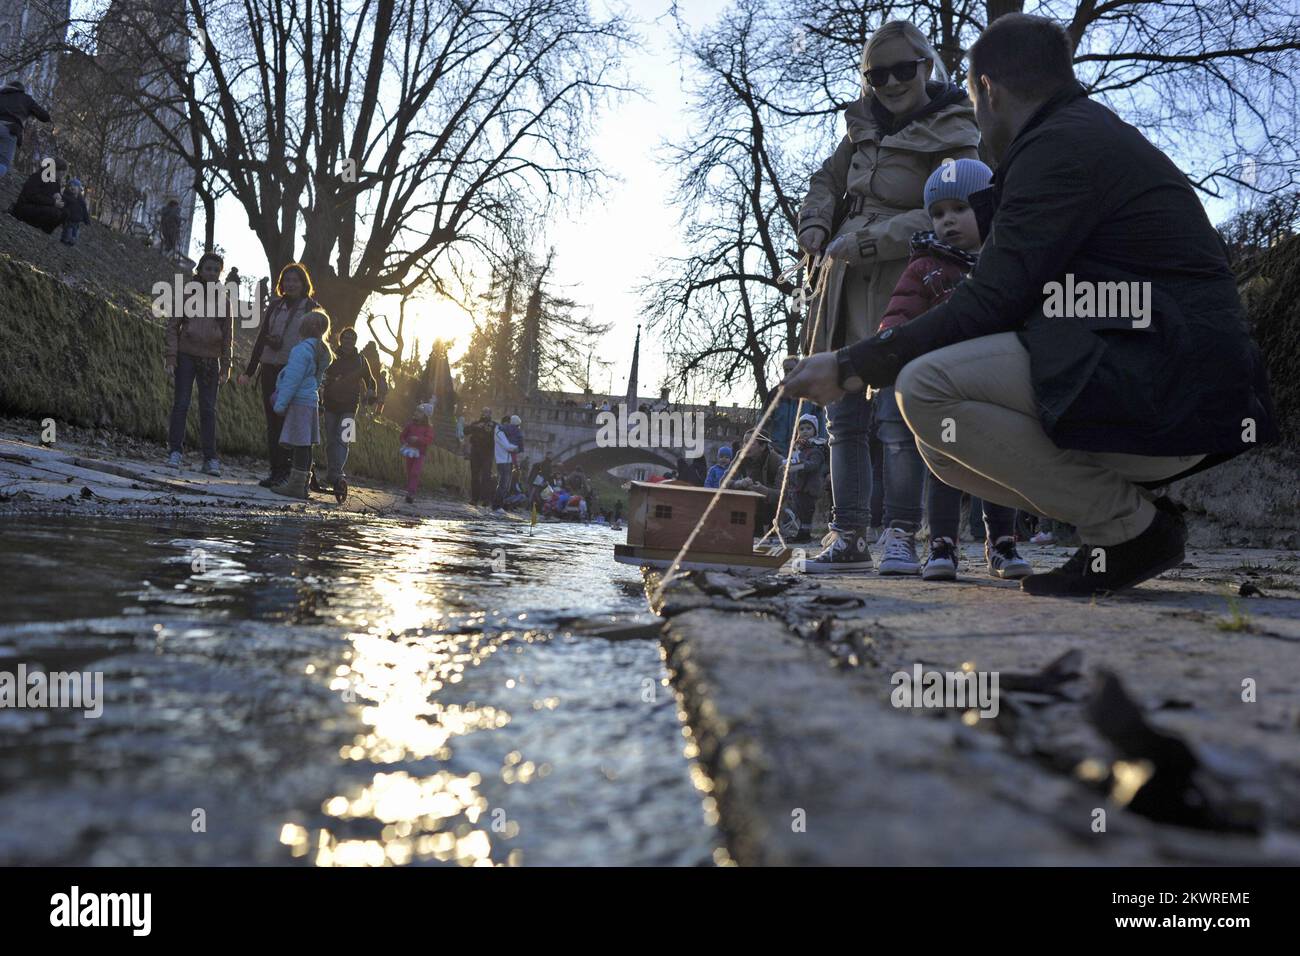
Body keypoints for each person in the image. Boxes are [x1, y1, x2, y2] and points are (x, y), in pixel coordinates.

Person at [781, 13, 1278, 596]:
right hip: (1156, 378)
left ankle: (1131, 530)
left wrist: (848, 366)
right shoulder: (1072, 138)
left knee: (926, 389)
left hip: (1169, 389)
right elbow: (1008, 246)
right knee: (943, 449)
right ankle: (1123, 515)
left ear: (987, 90)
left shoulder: (1060, 149)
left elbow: (991, 299)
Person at [796, 20, 980, 575]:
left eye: (904, 69)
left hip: (913, 278)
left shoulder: (958, 128)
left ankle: (902, 534)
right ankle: (847, 534)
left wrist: (872, 240)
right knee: (843, 412)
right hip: (842, 279)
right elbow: (827, 181)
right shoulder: (859, 125)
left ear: (927, 66)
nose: (892, 82)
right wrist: (815, 226)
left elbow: (952, 208)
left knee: (897, 413)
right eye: (878, 74)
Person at [873, 158, 1031, 581]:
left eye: (960, 209)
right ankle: (942, 543)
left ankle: (1002, 542)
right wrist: (886, 350)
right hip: (944, 387)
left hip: (997, 385)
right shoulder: (926, 267)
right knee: (944, 462)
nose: (948, 221)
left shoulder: (1007, 264)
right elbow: (900, 313)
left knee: (1002, 463)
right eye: (938, 213)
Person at [240, 263, 322, 487]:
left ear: (304, 283)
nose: (291, 284)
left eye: (295, 280)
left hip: (293, 373)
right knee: (273, 422)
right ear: (281, 284)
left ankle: (297, 472)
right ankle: (277, 471)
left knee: (291, 422)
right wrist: (249, 371)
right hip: (269, 368)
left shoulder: (311, 308)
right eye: (287, 280)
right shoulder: (275, 306)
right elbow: (261, 339)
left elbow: (318, 346)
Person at [164, 252, 233, 476]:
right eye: (208, 268)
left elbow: (227, 336)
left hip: (210, 361)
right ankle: (175, 451)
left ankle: (210, 458)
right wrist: (171, 357)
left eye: (216, 269)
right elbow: (173, 326)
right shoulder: (187, 294)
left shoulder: (224, 300)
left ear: (220, 273)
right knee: (181, 404)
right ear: (200, 270)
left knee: (208, 409)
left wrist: (227, 365)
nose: (211, 272)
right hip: (185, 356)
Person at [268, 309, 333, 499]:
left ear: (303, 328)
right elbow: (317, 378)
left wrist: (280, 404)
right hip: (310, 400)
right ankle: (302, 483)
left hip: (299, 402)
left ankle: (296, 485)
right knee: (306, 445)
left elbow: (292, 380)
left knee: (300, 444)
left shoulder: (301, 350)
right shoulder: (321, 351)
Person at [319, 326, 377, 503]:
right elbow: (321, 375)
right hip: (330, 404)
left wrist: (371, 393)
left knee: (343, 440)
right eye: (345, 339)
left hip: (351, 407)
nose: (348, 342)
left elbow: (371, 381)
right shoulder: (331, 356)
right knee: (331, 440)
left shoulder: (361, 360)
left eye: (351, 339)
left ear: (355, 342)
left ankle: (336, 474)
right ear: (340, 340)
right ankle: (332, 474)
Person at [786, 414, 828, 545]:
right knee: (799, 508)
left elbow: (814, 465)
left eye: (808, 428)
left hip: (810, 485)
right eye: (802, 429)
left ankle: (805, 532)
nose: (805, 431)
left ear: (815, 430)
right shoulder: (799, 447)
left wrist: (798, 465)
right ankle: (801, 531)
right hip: (799, 485)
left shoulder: (817, 447)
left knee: (807, 509)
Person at [732, 429, 785, 534]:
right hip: (749, 504)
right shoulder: (740, 456)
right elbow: (724, 482)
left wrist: (764, 490)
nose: (745, 446)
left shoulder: (777, 461)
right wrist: (739, 483)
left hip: (769, 507)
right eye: (744, 442)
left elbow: (783, 494)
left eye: (750, 443)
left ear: (762, 446)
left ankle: (771, 531)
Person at [0, 80, 51, 179]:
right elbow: (44, 116)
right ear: (21, 90)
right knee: (3, 163)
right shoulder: (26, 99)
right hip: (10, 129)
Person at [10, 157, 67, 233]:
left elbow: (54, 195)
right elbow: (32, 196)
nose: (62, 175)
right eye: (61, 172)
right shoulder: (38, 176)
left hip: (41, 206)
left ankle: (46, 229)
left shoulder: (56, 182)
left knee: (65, 212)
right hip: (27, 206)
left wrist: (58, 196)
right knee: (52, 212)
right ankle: (32, 222)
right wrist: (53, 202)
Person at [399, 408, 436, 504]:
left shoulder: (428, 428)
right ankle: (409, 490)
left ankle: (411, 492)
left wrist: (418, 439)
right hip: (409, 451)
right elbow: (402, 436)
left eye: (419, 412)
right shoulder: (410, 425)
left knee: (415, 472)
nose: (416, 413)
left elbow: (429, 439)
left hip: (420, 453)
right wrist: (405, 442)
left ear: (424, 416)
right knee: (409, 471)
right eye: (416, 411)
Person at [463, 407, 496, 505]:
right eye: (483, 412)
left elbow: (498, 437)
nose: (485, 414)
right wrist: (476, 427)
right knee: (475, 476)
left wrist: (488, 430)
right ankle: (474, 498)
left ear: (490, 414)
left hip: (487, 453)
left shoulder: (494, 425)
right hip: (475, 452)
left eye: (487, 412)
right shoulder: (475, 423)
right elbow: (466, 431)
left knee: (486, 476)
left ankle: (486, 499)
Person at [491, 415, 520, 513]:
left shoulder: (506, 433)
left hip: (508, 461)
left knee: (506, 486)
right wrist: (515, 447)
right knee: (503, 484)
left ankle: (499, 505)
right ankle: (496, 506)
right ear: (505, 423)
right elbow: (507, 446)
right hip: (502, 461)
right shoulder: (499, 431)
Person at [59, 178, 90, 246]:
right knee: (67, 233)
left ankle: (71, 242)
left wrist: (86, 220)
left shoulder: (81, 200)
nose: (72, 187)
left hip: (77, 221)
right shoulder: (66, 197)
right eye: (70, 186)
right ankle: (64, 241)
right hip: (69, 220)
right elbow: (62, 205)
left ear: (79, 189)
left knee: (75, 235)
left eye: (74, 186)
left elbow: (84, 211)